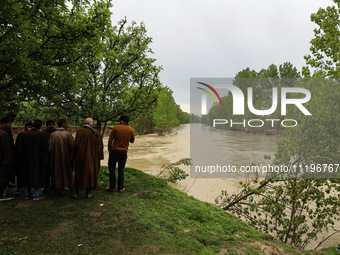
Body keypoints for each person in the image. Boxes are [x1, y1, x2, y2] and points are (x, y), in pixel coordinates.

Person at [15, 119, 48, 200]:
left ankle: (27, 194)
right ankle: (36, 194)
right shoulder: (41, 135)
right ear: (40, 126)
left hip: (25, 159)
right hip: (37, 159)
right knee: (36, 176)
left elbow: (19, 148)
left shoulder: (23, 135)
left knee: (26, 175)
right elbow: (45, 148)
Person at [73, 118, 103, 198]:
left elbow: (76, 145)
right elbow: (100, 146)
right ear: (92, 124)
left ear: (84, 123)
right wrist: (99, 156)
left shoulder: (80, 131)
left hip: (81, 157)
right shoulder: (96, 132)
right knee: (91, 174)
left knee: (79, 173)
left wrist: (73, 155)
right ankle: (88, 193)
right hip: (92, 157)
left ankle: (76, 193)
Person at [106, 115, 135, 193]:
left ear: (121, 121)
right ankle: (120, 188)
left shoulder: (116, 128)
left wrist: (109, 149)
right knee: (121, 170)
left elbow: (110, 140)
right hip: (123, 152)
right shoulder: (131, 130)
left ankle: (112, 187)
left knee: (112, 169)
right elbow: (132, 141)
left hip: (114, 151)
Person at [49, 119, 74, 196]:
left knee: (57, 172)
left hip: (56, 158)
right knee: (68, 172)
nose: (67, 125)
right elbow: (72, 147)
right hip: (67, 158)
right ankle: (69, 186)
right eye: (66, 123)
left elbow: (49, 148)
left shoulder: (53, 135)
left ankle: (60, 189)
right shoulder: (68, 134)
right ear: (63, 124)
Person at [0, 117, 14, 201]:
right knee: (2, 177)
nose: (10, 125)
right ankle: (1, 195)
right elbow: (7, 149)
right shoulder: (3, 134)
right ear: (3, 123)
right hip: (3, 160)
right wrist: (8, 160)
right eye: (9, 123)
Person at [42, 120, 56, 191]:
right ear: (47, 125)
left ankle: (54, 185)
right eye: (50, 125)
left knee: (54, 170)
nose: (52, 126)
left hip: (54, 154)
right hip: (46, 155)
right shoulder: (43, 133)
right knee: (46, 171)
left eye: (53, 124)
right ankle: (46, 185)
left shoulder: (55, 132)